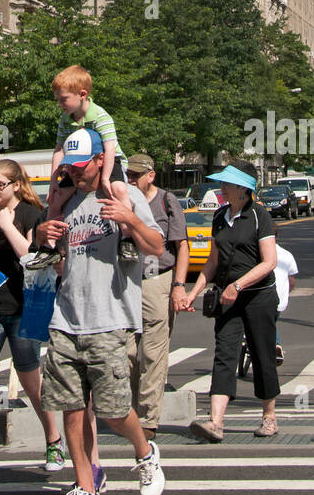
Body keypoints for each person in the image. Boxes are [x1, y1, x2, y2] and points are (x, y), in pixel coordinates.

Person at [36, 127, 167, 495]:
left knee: (112, 411)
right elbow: (50, 259)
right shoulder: (64, 201)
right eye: (70, 168)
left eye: (81, 166)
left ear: (100, 160)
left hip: (110, 318)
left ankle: (145, 453)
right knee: (72, 409)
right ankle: (86, 489)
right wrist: (44, 232)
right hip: (66, 318)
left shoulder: (121, 194)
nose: (75, 174)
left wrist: (129, 218)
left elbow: (157, 247)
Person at [0, 159, 65, 481]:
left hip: (24, 309)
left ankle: (53, 440)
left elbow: (33, 259)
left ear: (16, 185)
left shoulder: (31, 216)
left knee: (31, 383)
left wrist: (7, 225)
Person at [182, 160, 279, 442]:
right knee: (224, 353)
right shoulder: (219, 216)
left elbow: (269, 261)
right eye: (222, 183)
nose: (221, 188)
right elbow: (213, 261)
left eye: (227, 184)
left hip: (258, 295)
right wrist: (193, 292)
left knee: (262, 354)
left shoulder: (260, 216)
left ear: (243, 188)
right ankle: (216, 422)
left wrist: (238, 285)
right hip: (227, 296)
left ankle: (269, 416)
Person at [26, 64, 137, 269]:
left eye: (63, 99)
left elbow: (110, 148)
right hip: (79, 163)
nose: (60, 104)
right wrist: (54, 181)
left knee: (119, 189)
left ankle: (127, 239)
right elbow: (59, 150)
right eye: (58, 99)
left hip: (109, 160)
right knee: (56, 197)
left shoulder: (100, 116)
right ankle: (49, 248)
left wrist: (105, 178)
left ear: (82, 94)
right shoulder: (65, 119)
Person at [125, 154, 189, 438]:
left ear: (151, 175)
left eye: (136, 175)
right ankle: (130, 411)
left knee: (153, 353)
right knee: (126, 352)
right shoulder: (123, 198)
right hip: (126, 281)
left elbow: (181, 246)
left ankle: (147, 420)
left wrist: (178, 286)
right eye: (128, 175)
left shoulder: (166, 201)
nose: (131, 180)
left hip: (157, 280)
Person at [273, 238, 298, 364]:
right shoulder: (286, 254)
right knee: (271, 321)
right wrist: (285, 294)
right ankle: (276, 345)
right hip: (280, 300)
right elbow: (292, 280)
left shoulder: (255, 253)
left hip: (262, 297)